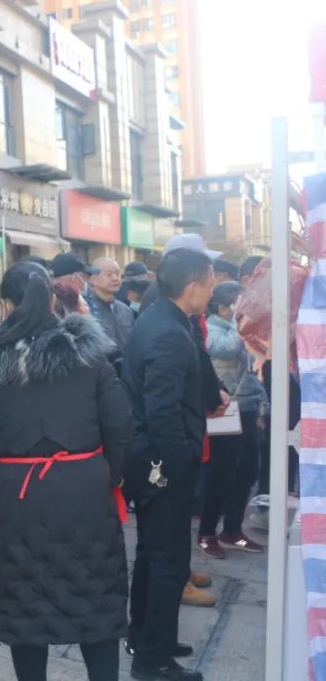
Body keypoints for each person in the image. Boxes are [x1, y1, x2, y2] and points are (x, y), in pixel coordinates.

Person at [0, 261, 131, 681]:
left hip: (15, 499)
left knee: (25, 604)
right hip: (85, 493)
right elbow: (121, 425)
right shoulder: (88, 356)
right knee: (96, 598)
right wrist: (104, 475)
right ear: (52, 300)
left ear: (5, 304)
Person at [122, 248, 218, 681]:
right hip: (160, 464)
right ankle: (153, 661)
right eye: (210, 284)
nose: (212, 292)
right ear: (192, 286)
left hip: (151, 458)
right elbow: (162, 413)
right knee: (167, 561)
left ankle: (147, 636)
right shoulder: (168, 332)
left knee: (152, 554)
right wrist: (180, 467)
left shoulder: (161, 318)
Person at [198, 281, 267, 558]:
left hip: (248, 407)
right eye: (239, 303)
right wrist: (243, 322)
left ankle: (233, 529)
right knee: (221, 473)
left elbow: (255, 370)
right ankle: (207, 532)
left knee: (248, 472)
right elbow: (226, 348)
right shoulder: (210, 329)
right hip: (224, 410)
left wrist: (263, 407)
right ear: (222, 307)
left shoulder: (241, 329)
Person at [86, 258, 135, 358]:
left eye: (117, 273)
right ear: (93, 279)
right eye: (109, 274)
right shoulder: (86, 309)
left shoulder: (125, 310)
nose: (115, 278)